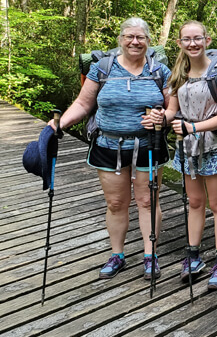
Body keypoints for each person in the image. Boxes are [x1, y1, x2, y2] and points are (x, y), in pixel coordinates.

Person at [50, 17, 170, 280]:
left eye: (140, 37)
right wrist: (58, 124)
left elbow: (173, 107)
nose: (135, 41)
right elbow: (83, 104)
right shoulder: (102, 68)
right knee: (116, 203)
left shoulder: (160, 71)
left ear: (148, 41)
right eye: (129, 36)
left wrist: (163, 117)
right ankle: (117, 254)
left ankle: (150, 255)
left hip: (149, 144)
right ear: (120, 39)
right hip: (108, 145)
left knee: (147, 201)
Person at [161, 20, 217, 289]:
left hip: (213, 145)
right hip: (186, 147)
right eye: (187, 39)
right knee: (194, 202)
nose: (192, 44)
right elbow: (172, 110)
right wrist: (161, 117)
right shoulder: (178, 73)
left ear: (207, 40)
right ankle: (193, 256)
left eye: (197, 38)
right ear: (179, 43)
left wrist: (192, 127)